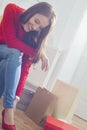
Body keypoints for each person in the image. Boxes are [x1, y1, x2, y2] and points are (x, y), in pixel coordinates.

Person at [0, 2, 56, 130]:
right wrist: (38, 53)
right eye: (36, 21)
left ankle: (9, 106)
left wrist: (17, 97)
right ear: (33, 11)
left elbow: (25, 68)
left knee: (8, 62)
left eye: (40, 27)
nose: (35, 27)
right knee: (15, 52)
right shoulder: (12, 10)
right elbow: (11, 41)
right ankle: (8, 110)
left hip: (6, 62)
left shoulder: (33, 36)